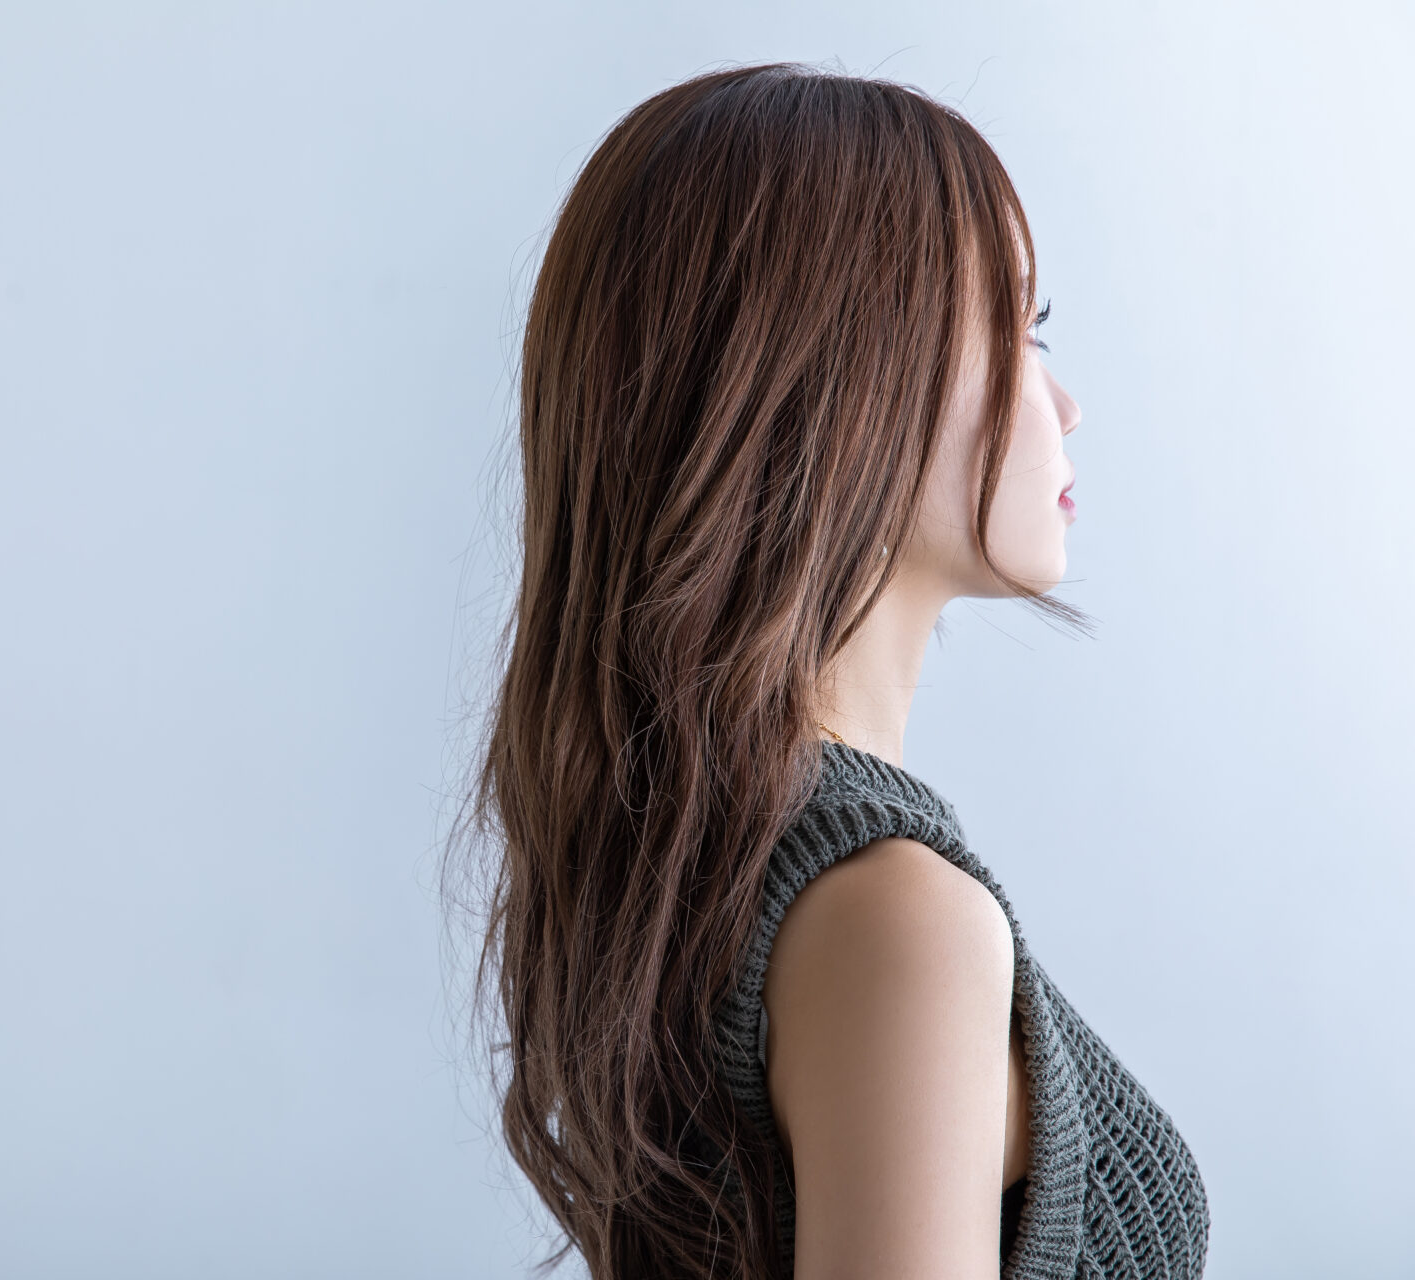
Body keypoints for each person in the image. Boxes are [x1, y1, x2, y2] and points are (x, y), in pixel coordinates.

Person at [450, 62, 1209, 1279]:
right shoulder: (896, 912)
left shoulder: (725, 846)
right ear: (845, 377)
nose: (1064, 403)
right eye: (1017, 327)